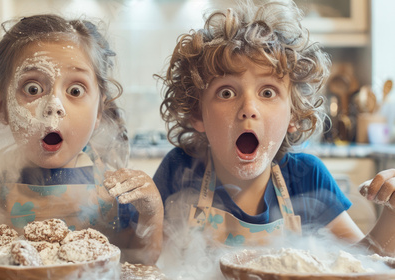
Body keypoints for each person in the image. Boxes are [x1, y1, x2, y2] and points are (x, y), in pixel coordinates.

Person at [0, 14, 163, 265]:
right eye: (33, 88)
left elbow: (142, 262)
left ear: (99, 112)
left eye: (75, 90)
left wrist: (152, 212)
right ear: (2, 106)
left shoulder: (116, 196)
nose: (53, 106)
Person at [154, 0, 395, 256]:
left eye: (267, 92)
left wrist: (392, 214)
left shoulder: (306, 178)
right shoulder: (179, 170)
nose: (249, 108)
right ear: (197, 114)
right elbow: (144, 258)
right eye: (226, 92)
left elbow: (364, 263)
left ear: (293, 114)